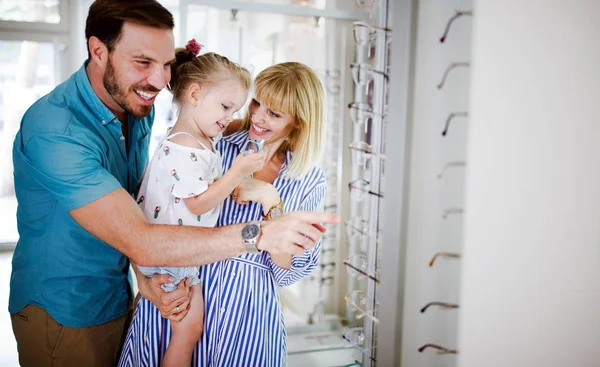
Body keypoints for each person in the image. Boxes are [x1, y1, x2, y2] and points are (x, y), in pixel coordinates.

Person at [8, 1, 338, 366]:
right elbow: (140, 235)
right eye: (143, 62)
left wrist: (144, 280)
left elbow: (147, 205)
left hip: (176, 305)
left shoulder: (136, 109)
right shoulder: (58, 132)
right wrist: (257, 232)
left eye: (164, 65)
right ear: (98, 51)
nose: (160, 81)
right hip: (78, 308)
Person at [119, 61, 328, 367]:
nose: (256, 116)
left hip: (246, 317)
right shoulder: (213, 141)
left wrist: (271, 201)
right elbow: (149, 209)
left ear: (297, 122)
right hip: (183, 292)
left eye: (274, 113)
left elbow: (287, 271)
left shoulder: (308, 179)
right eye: (256, 102)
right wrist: (144, 279)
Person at [136, 39, 267, 366]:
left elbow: (229, 130)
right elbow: (197, 204)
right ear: (194, 95)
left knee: (188, 331)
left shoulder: (198, 138)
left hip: (177, 253)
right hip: (170, 257)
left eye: (234, 110)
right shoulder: (184, 148)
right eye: (225, 107)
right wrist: (237, 173)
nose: (228, 118)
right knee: (187, 331)